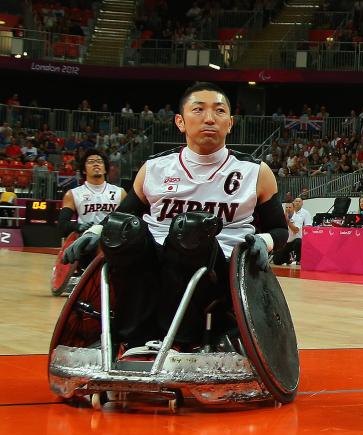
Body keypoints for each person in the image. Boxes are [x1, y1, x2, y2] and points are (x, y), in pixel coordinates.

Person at [62, 82, 288, 351]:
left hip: (218, 267)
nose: (209, 118)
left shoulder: (256, 172)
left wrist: (264, 240)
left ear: (230, 123)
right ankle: (130, 339)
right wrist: (93, 233)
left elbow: (279, 230)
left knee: (190, 228)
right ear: (180, 122)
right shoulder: (154, 167)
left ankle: (181, 340)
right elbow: (123, 216)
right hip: (154, 259)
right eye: (198, 110)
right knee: (123, 230)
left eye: (219, 111)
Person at [58, 150, 126, 269]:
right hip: (88, 245)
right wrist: (78, 227)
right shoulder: (73, 194)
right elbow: (62, 224)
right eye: (90, 162)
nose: (96, 164)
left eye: (99, 161)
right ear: (84, 170)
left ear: (105, 169)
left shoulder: (120, 192)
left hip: (113, 244)